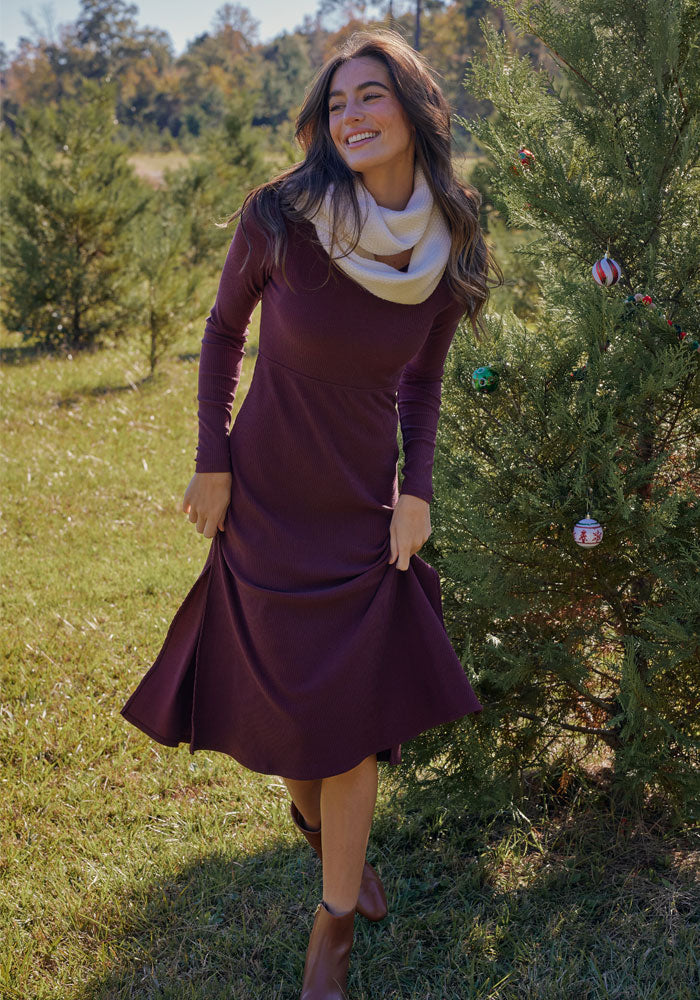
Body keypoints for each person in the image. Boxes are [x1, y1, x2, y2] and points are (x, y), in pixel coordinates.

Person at [120, 27, 503, 999]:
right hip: (264, 496)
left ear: (411, 111)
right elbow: (220, 332)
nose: (350, 117)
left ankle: (332, 927)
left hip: (359, 507)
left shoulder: (450, 239)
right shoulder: (283, 215)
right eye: (336, 105)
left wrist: (416, 490)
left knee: (348, 723)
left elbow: (423, 384)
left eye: (369, 97)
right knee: (291, 720)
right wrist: (211, 463)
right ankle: (322, 832)